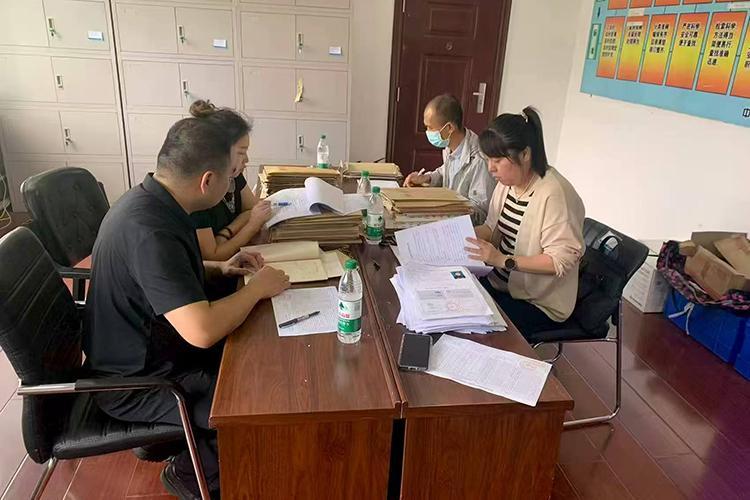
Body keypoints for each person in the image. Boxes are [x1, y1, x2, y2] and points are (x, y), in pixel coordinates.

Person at [84, 117, 290, 499]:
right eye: (230, 178)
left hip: (152, 349)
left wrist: (219, 268)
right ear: (207, 181)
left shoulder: (153, 202)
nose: (232, 185)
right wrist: (257, 289)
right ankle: (192, 475)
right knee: (256, 400)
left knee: (256, 357)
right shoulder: (151, 231)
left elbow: (167, 274)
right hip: (139, 382)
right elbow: (202, 331)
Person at [464, 107, 585, 340]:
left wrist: (502, 260)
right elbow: (490, 228)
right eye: (488, 160)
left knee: (472, 330)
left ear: (525, 154)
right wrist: (458, 234)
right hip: (499, 284)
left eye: (498, 160)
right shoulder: (508, 184)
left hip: (536, 302)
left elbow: (559, 261)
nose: (491, 168)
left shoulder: (554, 194)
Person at [189, 100, 272, 262]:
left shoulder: (233, 175)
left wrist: (226, 233)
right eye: (241, 153)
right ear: (217, 153)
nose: (246, 160)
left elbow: (251, 210)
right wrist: (251, 226)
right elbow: (213, 256)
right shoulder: (200, 194)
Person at [403, 94, 496, 224]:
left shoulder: (480, 159)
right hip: (447, 221)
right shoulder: (450, 146)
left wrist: (445, 212)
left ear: (449, 128)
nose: (427, 132)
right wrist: (427, 178)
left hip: (464, 229)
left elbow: (481, 214)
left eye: (430, 127)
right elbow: (445, 172)